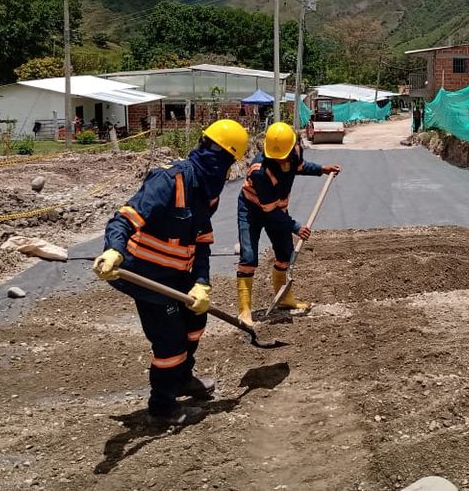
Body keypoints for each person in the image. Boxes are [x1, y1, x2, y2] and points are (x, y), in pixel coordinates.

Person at [93, 118, 249, 425]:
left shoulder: (208, 190)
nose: (226, 168)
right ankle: (162, 407)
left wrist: (202, 282)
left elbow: (202, 240)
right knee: (171, 340)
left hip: (179, 273)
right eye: (227, 160)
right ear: (215, 154)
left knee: (195, 322)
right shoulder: (168, 180)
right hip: (145, 276)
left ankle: (181, 379)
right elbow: (123, 220)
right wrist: (114, 250)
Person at [235, 122, 340, 326]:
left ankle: (284, 299)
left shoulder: (294, 152)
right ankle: (244, 310)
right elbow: (270, 211)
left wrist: (322, 169)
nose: (281, 160)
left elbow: (300, 167)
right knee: (248, 256)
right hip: (252, 210)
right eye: (277, 157)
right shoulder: (259, 171)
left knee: (285, 253)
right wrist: (296, 227)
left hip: (277, 209)